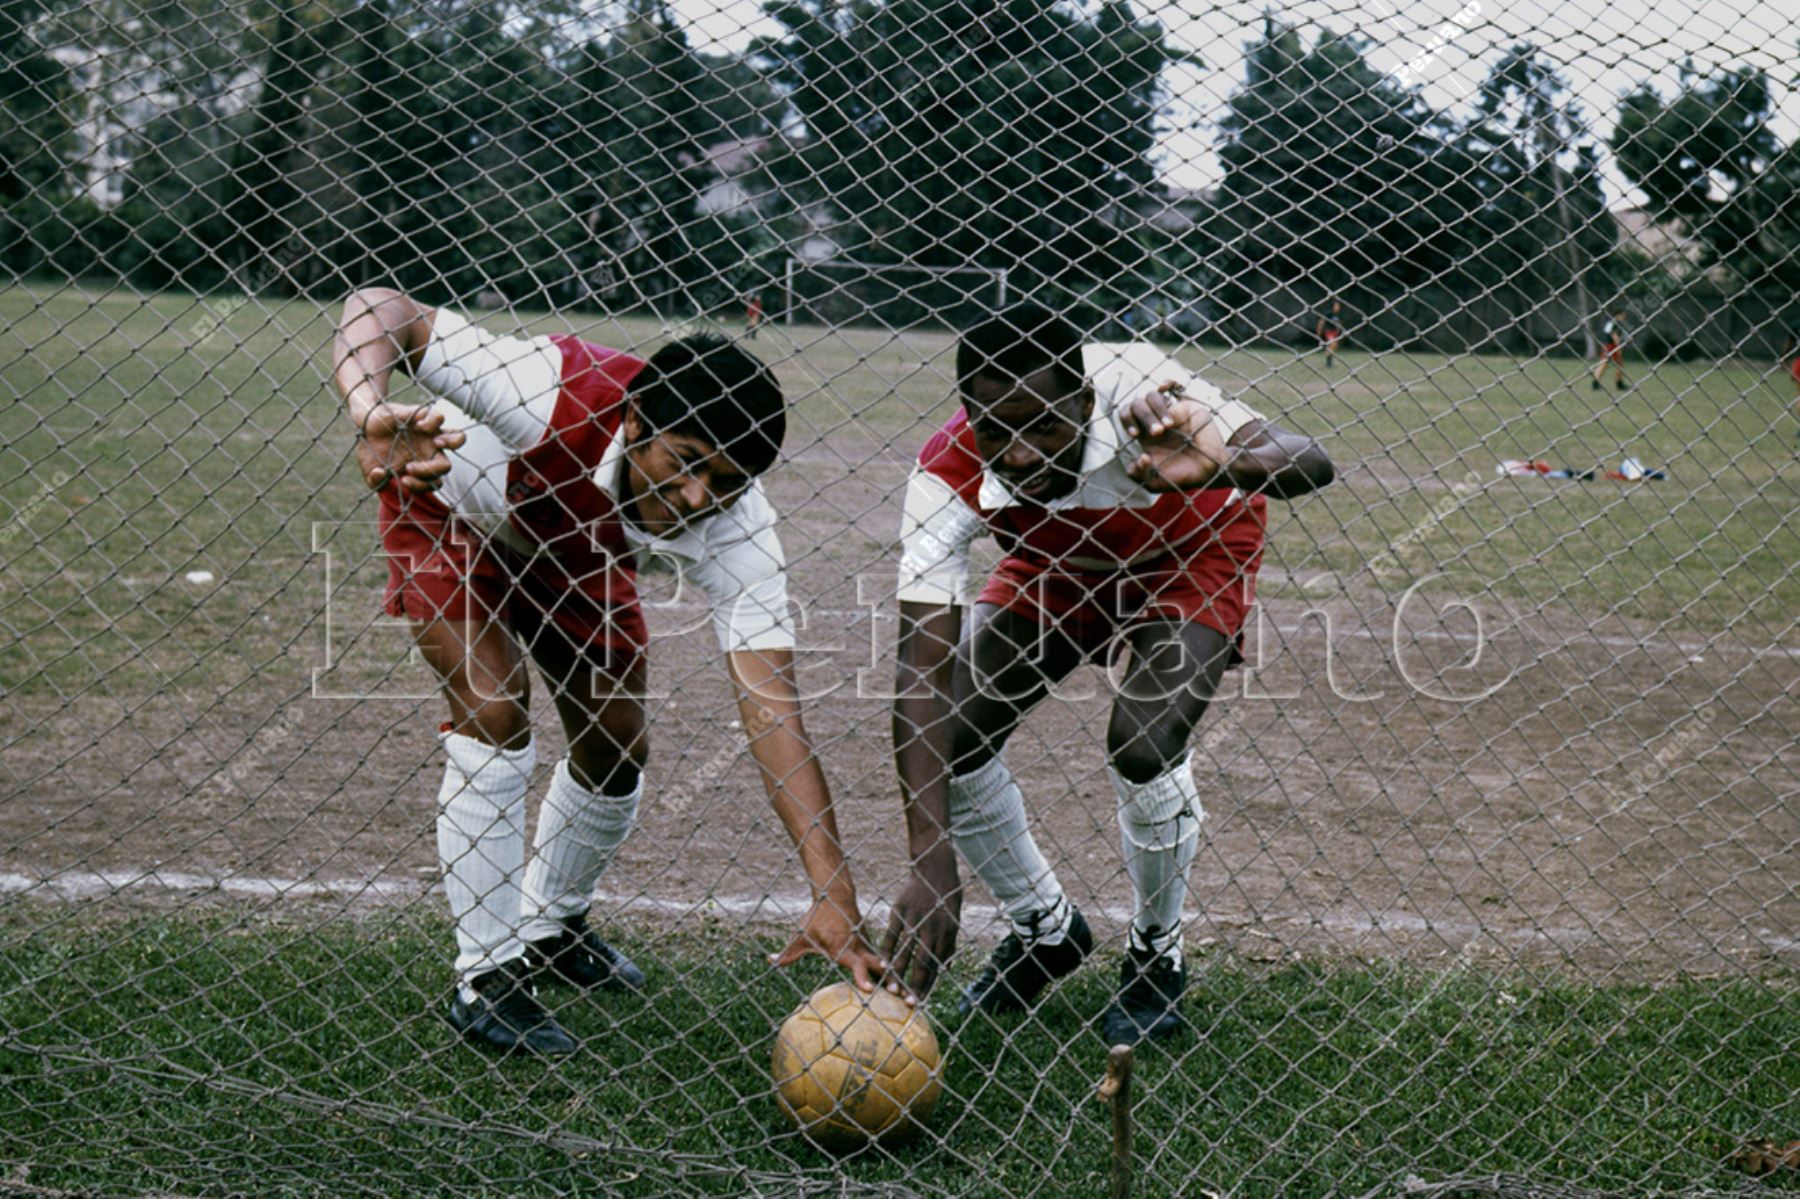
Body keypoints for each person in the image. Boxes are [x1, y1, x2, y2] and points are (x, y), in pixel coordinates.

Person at [332, 289, 882, 1056]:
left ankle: (551, 924)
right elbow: (381, 306)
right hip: (452, 523)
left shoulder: (739, 528)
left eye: (725, 482)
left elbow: (773, 709)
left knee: (617, 743)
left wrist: (832, 887)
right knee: (495, 714)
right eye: (686, 465)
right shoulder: (542, 387)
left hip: (575, 556)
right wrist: (369, 410)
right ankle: (487, 975)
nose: (698, 499)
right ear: (633, 423)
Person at [882, 305, 1334, 1045]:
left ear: (1084, 399)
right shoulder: (946, 472)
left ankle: (1157, 951)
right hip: (1056, 564)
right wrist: (930, 861)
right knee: (954, 730)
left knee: (1143, 742)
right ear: (969, 414)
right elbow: (919, 670)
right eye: (997, 429)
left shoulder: (1139, 388)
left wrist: (1220, 462)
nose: (1021, 453)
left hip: (1191, 549)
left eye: (1043, 426)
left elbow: (1309, 458)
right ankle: (1045, 928)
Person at [1593, 309, 1628, 391]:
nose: (1624, 317)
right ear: (1618, 315)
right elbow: (1615, 336)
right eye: (1623, 315)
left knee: (1617, 364)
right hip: (1611, 346)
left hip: (1608, 345)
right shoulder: (1615, 323)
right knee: (1605, 364)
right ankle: (1596, 383)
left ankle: (1618, 383)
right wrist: (1618, 347)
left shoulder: (1610, 322)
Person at [1315, 300, 1344, 367]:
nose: (1338, 307)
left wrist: (1338, 330)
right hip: (1329, 331)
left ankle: (1329, 362)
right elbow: (1321, 321)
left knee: (1333, 347)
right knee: (1332, 344)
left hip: (1335, 333)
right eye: (1336, 306)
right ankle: (1328, 363)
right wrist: (1319, 331)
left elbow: (1339, 323)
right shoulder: (1328, 313)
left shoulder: (1338, 315)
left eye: (1338, 306)